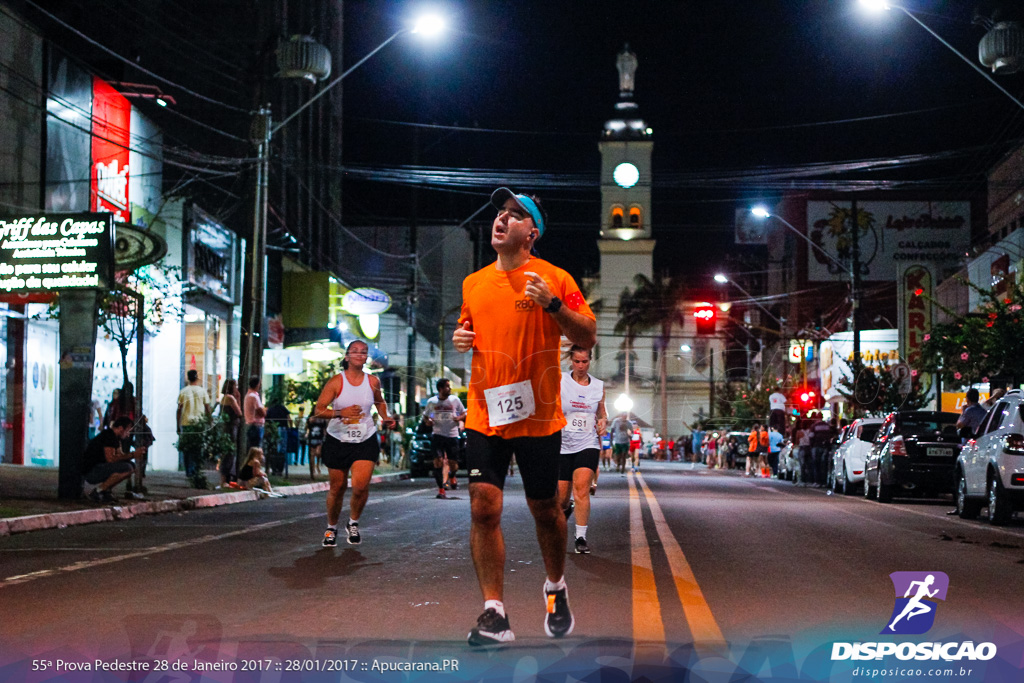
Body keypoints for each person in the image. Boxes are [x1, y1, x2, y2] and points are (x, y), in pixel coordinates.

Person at [453, 187, 596, 645]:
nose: (502, 219)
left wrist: (553, 306)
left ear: (531, 234)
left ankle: (555, 587)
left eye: (515, 215)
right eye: (500, 212)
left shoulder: (554, 278)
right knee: (483, 504)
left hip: (537, 415)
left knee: (546, 511)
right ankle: (494, 613)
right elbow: (468, 327)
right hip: (484, 411)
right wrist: (462, 336)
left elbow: (587, 334)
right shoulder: (473, 283)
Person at [314, 339, 395, 547]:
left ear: (366, 357)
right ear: (347, 356)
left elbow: (379, 401)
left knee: (360, 486)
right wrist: (341, 412)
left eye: (363, 352)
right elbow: (319, 410)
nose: (360, 355)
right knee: (337, 487)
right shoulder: (336, 382)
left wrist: (385, 416)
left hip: (365, 439)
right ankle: (331, 527)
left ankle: (353, 523)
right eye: (355, 351)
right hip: (338, 439)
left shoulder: (373, 382)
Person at [558, 345, 607, 555]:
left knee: (581, 490)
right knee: (560, 499)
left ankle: (580, 537)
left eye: (584, 361)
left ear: (590, 361)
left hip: (587, 443)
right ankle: (566, 508)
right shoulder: (560, 380)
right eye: (577, 361)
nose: (580, 366)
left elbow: (602, 412)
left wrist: (603, 421)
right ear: (570, 360)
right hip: (562, 444)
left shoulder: (598, 386)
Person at [423, 378, 467, 499]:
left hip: (452, 435)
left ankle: (452, 476)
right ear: (440, 389)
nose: (450, 388)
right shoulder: (432, 402)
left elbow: (464, 412)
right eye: (447, 386)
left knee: (453, 464)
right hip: (437, 435)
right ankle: (441, 489)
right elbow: (426, 417)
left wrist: (459, 418)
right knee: (438, 462)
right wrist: (429, 421)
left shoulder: (454, 400)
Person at [83, 417, 145, 502]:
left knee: (130, 466)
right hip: (91, 471)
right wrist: (133, 454)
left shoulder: (116, 438)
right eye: (128, 431)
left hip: (99, 468)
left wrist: (134, 455)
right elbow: (111, 459)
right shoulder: (109, 436)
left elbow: (120, 456)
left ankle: (105, 490)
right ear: (120, 428)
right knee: (127, 468)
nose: (128, 435)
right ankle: (98, 491)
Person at [177, 370, 211, 476]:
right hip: (199, 423)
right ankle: (196, 470)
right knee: (197, 448)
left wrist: (177, 425)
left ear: (188, 378)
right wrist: (209, 421)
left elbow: (179, 409)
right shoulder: (202, 391)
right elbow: (207, 408)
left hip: (186, 422)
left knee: (187, 448)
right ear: (197, 378)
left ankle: (189, 470)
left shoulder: (183, 391)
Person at [218, 379, 243, 488]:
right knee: (230, 453)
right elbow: (239, 412)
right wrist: (239, 398)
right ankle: (226, 479)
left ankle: (225, 479)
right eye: (235, 386)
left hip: (225, 427)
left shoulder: (224, 398)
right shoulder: (231, 398)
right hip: (231, 426)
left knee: (226, 452)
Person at [243, 377, 266, 450]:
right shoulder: (254, 397)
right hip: (256, 426)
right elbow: (261, 412)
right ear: (257, 384)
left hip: (251, 425)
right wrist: (265, 410)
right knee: (256, 448)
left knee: (251, 447)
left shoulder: (248, 395)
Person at [306, 415, 326, 479]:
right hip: (312, 438)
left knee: (318, 453)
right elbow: (307, 427)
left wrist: (325, 436)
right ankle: (313, 468)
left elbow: (324, 428)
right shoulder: (310, 418)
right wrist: (309, 421)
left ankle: (317, 465)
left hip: (319, 438)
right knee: (312, 454)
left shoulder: (322, 419)